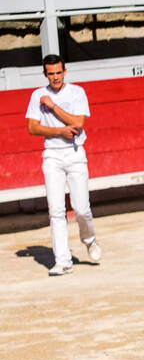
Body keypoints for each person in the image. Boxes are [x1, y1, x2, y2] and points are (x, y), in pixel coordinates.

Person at [25, 54, 100, 276]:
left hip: (75, 153)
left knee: (81, 208)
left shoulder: (77, 92)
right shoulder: (37, 94)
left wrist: (52, 106)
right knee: (56, 210)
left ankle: (90, 240)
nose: (55, 77)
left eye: (59, 73)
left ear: (64, 72)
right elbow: (32, 128)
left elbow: (77, 123)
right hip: (52, 155)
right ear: (45, 74)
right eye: (51, 74)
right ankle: (63, 260)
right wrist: (58, 131)